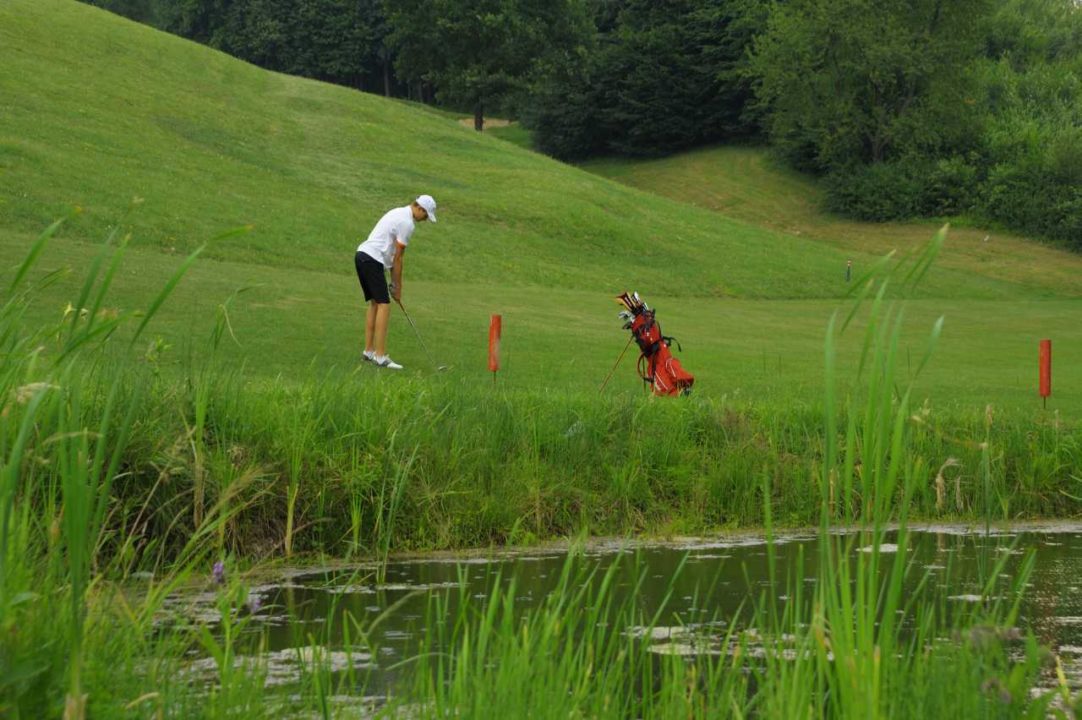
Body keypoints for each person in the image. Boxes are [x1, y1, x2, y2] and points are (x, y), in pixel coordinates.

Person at [355, 195, 437, 369]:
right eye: (426, 216)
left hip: (362, 255)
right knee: (384, 305)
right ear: (420, 209)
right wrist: (397, 287)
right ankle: (380, 356)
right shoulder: (407, 223)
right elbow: (398, 258)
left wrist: (394, 284)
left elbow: (393, 257)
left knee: (375, 304)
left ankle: (369, 351)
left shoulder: (398, 212)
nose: (425, 220)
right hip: (372, 259)